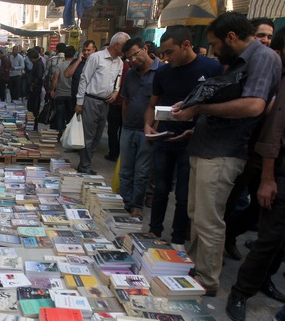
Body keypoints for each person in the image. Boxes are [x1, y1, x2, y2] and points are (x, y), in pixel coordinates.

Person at [171, 12, 281, 296]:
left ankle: (206, 279)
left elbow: (254, 106)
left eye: (215, 44)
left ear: (231, 37)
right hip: (207, 146)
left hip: (223, 152)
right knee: (197, 214)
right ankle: (196, 267)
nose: (215, 50)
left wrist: (200, 109)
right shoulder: (237, 61)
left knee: (209, 219)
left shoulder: (263, 58)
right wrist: (196, 119)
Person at [144, 25, 223, 252]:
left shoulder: (211, 68)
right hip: (165, 138)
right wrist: (148, 125)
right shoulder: (163, 72)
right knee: (160, 189)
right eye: (163, 53)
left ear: (186, 45)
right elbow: (153, 105)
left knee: (184, 195)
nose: (166, 58)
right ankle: (154, 231)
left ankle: (178, 238)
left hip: (193, 142)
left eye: (170, 52)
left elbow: (216, 106)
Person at [226, 74, 285, 321]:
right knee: (268, 238)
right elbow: (273, 134)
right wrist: (268, 178)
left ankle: (265, 279)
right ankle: (241, 292)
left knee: (280, 243)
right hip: (277, 170)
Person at [119, 38, 163, 219]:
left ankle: (137, 205)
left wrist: (154, 127)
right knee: (125, 169)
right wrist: (124, 122)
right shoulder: (130, 74)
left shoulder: (161, 72)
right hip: (129, 127)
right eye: (129, 58)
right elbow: (125, 100)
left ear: (145, 49)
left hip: (148, 130)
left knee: (142, 171)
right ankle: (125, 202)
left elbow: (161, 104)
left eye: (136, 54)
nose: (133, 60)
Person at [75, 32, 130, 175]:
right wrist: (79, 102)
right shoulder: (96, 57)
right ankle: (84, 165)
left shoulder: (120, 62)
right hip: (91, 100)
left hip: (105, 102)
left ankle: (86, 162)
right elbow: (84, 79)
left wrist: (116, 91)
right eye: (125, 46)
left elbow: (118, 79)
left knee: (97, 135)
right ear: (117, 45)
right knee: (88, 135)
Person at [50, 44, 74, 138]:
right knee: (69, 116)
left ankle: (59, 133)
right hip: (71, 95)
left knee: (60, 115)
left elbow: (55, 79)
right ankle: (67, 135)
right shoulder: (75, 66)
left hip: (60, 94)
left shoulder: (59, 66)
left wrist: (53, 90)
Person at [27, 49, 45, 130]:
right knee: (32, 107)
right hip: (34, 88)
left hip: (36, 89)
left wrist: (33, 85)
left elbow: (39, 76)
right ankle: (32, 123)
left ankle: (34, 125)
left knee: (34, 107)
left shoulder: (38, 64)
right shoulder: (37, 63)